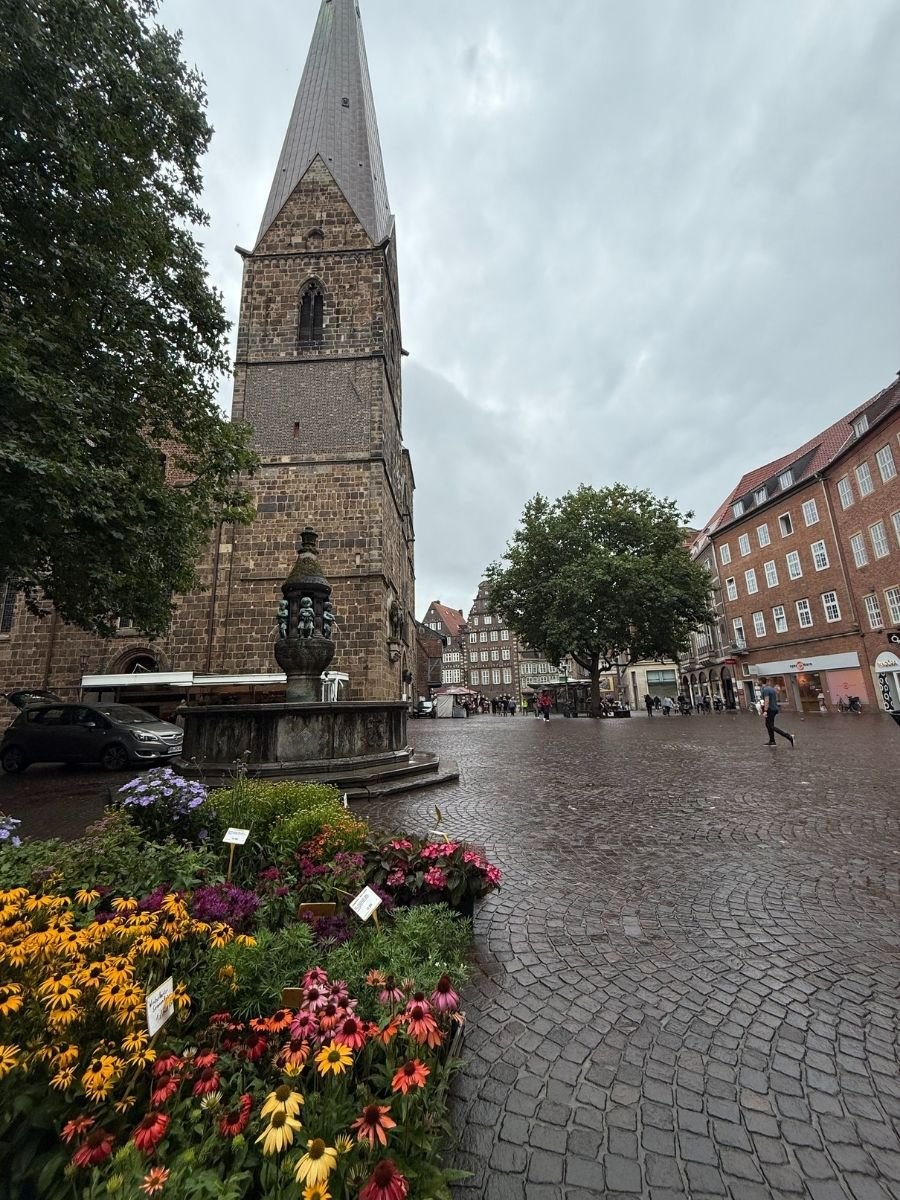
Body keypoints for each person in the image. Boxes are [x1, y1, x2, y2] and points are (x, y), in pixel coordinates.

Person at [759, 676, 794, 748]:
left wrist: (765, 710)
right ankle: (772, 741)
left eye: (758, 681)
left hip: (770, 709)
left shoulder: (765, 690)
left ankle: (788, 736)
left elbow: (767, 700)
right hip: (774, 709)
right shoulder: (771, 689)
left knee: (770, 726)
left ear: (761, 682)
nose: (757, 682)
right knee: (768, 725)